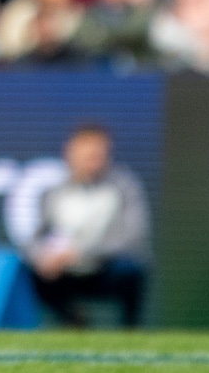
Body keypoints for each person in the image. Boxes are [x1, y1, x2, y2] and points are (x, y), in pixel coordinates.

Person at [21, 124, 153, 327]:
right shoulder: (56, 192)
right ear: (70, 154)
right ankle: (72, 321)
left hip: (106, 267)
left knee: (131, 268)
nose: (92, 161)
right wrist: (44, 257)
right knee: (31, 271)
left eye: (97, 154)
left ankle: (130, 331)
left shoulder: (123, 187)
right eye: (86, 155)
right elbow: (37, 237)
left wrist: (81, 252)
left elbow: (133, 235)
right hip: (68, 271)